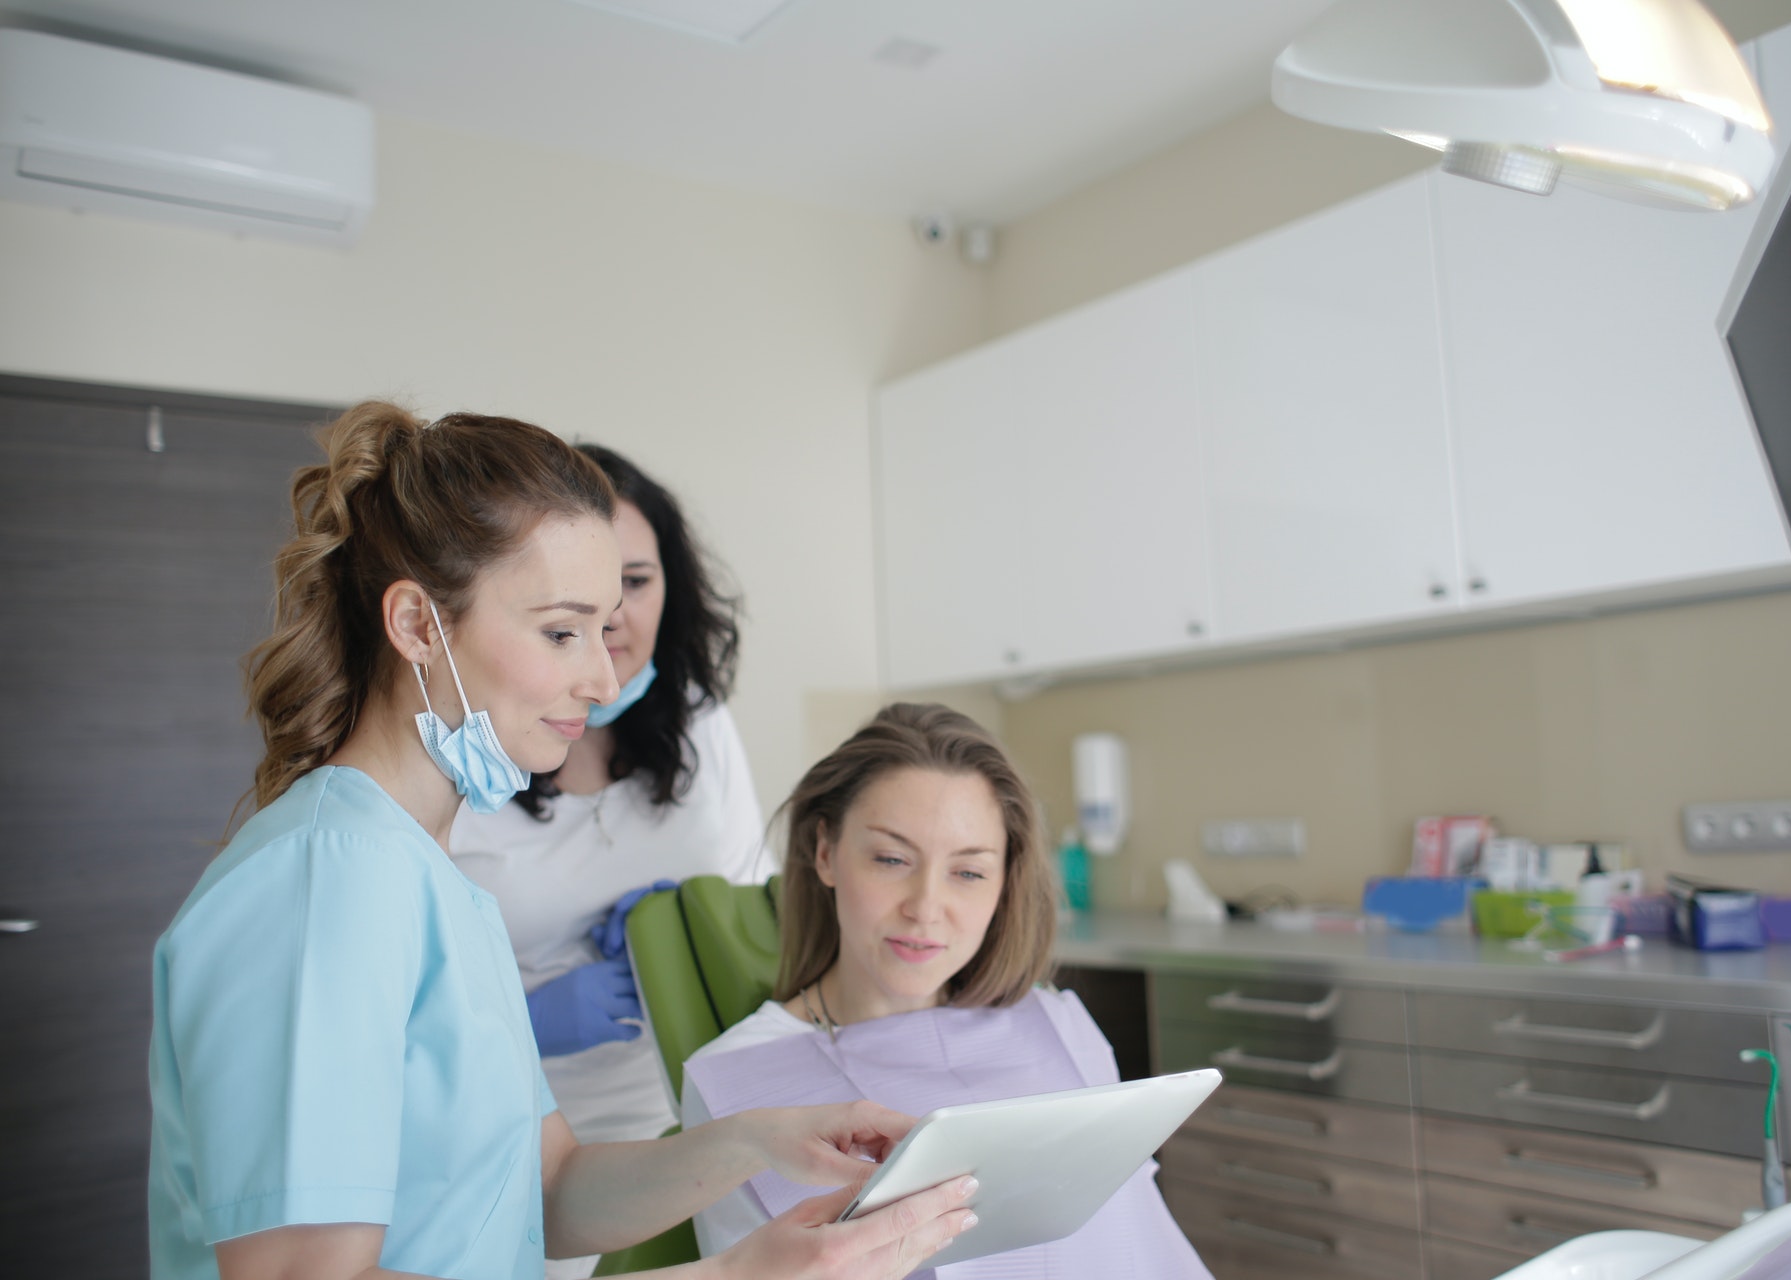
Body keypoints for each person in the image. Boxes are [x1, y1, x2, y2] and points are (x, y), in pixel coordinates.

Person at [148, 403, 977, 1280]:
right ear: (419, 626)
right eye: (561, 632)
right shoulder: (325, 882)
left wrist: (764, 1139)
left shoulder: (433, 880)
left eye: (605, 625)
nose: (604, 674)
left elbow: (547, 1190)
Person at [680, 703, 1210, 1278]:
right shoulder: (736, 1081)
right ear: (826, 852)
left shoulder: (1057, 1023)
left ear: (1006, 881)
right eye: (890, 858)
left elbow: (1142, 1238)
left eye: (969, 872)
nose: (926, 908)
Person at [449, 446, 768, 1235]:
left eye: (635, 581)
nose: (612, 615)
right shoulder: (465, 757)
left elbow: (759, 893)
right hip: (529, 1135)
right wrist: (527, 1022)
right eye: (580, 596)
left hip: (703, 1115)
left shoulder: (701, 723)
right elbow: (405, 1013)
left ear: (674, 589)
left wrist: (700, 915)